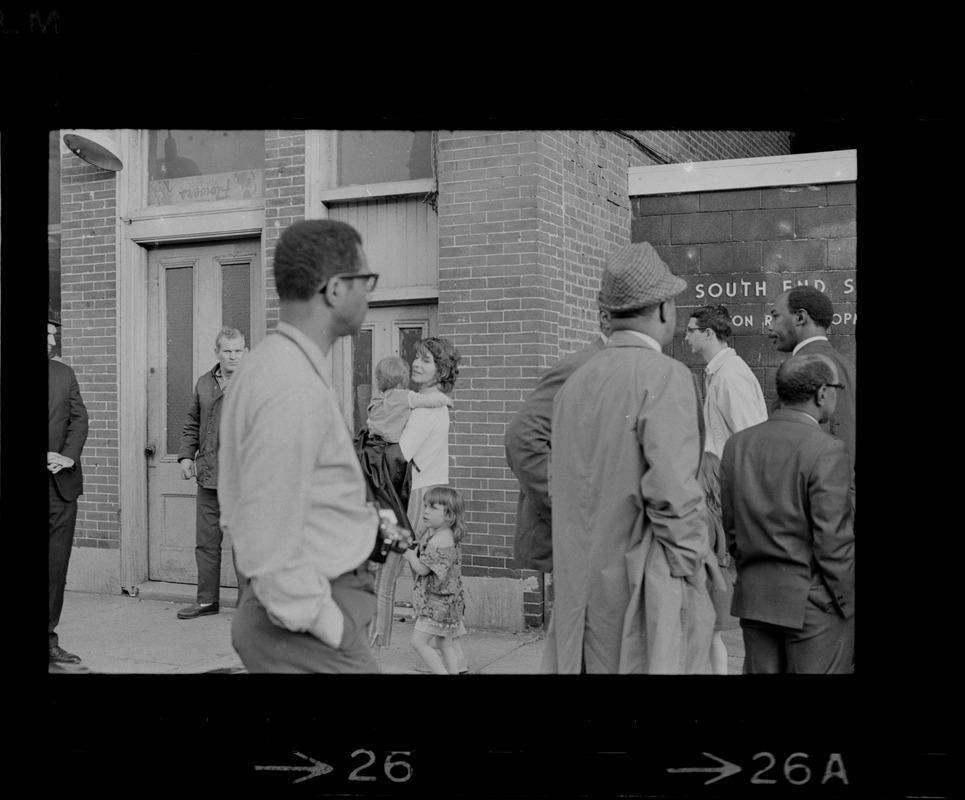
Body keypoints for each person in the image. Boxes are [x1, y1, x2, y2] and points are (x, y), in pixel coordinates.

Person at [543, 241, 723, 674]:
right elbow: (674, 495)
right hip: (643, 602)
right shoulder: (667, 376)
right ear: (664, 308)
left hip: (579, 602)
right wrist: (696, 575)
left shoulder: (575, 381)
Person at [218, 218, 387, 673]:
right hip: (304, 628)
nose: (369, 293)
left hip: (297, 615)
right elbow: (270, 543)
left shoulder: (272, 367)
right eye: (364, 280)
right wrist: (332, 627)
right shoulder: (290, 386)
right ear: (334, 290)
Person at [720, 353, 854, 673]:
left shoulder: (738, 445)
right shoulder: (826, 449)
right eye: (837, 388)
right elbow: (833, 542)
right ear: (823, 393)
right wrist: (848, 604)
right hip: (814, 608)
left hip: (755, 601)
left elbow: (732, 527)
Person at [368, 337, 467, 672]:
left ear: (441, 370)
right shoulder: (431, 404)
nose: (417, 364)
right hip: (433, 494)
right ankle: (458, 661)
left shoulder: (424, 409)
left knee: (384, 577)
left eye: (426, 361)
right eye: (417, 358)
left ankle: (370, 657)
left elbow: (399, 454)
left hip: (413, 500)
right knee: (433, 579)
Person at [684, 304, 768, 675]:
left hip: (729, 500)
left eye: (690, 330)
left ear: (708, 333)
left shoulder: (731, 376)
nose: (685, 336)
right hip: (718, 497)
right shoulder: (717, 373)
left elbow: (753, 444)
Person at [504, 308, 611, 573]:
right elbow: (522, 438)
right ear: (607, 318)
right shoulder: (582, 366)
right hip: (575, 545)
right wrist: (571, 510)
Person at [175, 327, 248, 620]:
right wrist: (184, 456)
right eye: (227, 351)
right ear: (216, 352)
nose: (233, 356)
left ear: (246, 351)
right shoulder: (204, 383)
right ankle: (207, 601)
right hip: (208, 477)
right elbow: (192, 422)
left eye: (238, 350)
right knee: (206, 542)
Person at [354, 355, 453, 539]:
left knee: (381, 505)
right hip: (389, 451)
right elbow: (427, 402)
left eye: (425, 360)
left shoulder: (378, 397)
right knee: (392, 509)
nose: (417, 364)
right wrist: (446, 400)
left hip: (376, 447)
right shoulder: (408, 397)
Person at [767, 286, 856, 481]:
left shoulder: (802, 366)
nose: (770, 327)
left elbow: (804, 452)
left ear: (800, 317)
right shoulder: (846, 364)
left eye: (775, 317)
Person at [48, 305, 89, 665]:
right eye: (46, 332)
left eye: (53, 333)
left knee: (55, 569)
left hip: (60, 488)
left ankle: (49, 639)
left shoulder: (64, 373)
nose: (52, 339)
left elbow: (79, 420)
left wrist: (68, 456)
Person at [402, 486, 467, 674]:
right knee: (444, 643)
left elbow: (422, 570)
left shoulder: (438, 541)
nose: (425, 511)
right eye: (424, 506)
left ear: (449, 516)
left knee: (419, 643)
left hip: (436, 605)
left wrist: (411, 557)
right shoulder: (448, 536)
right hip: (450, 603)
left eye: (432, 508)